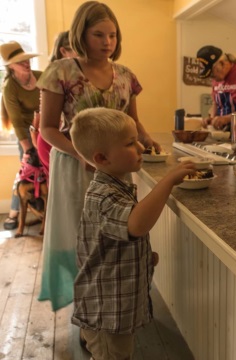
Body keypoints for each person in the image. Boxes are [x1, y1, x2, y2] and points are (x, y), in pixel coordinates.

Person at [37, 1, 161, 311]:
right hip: (74, 166)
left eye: (113, 36)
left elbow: (132, 120)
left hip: (116, 168)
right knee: (81, 237)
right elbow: (48, 129)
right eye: (99, 35)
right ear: (81, 33)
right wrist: (81, 154)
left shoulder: (125, 75)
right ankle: (86, 313)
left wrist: (146, 140)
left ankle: (113, 306)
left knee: (115, 234)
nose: (107, 43)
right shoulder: (59, 72)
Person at [69, 107, 195, 359]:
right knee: (113, 353)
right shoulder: (102, 194)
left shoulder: (118, 183)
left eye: (137, 139)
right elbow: (136, 224)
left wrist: (142, 256)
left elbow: (116, 239)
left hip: (112, 298)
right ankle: (93, 337)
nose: (140, 147)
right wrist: (167, 181)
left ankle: (89, 334)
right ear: (102, 158)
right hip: (107, 309)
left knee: (106, 344)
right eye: (130, 143)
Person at [0, 41, 41, 230]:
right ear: (10, 67)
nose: (26, 63)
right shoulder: (10, 87)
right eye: (20, 62)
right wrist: (28, 150)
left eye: (26, 60)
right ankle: (14, 213)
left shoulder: (41, 77)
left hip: (44, 130)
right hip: (24, 133)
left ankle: (47, 212)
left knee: (47, 173)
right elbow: (16, 121)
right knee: (26, 173)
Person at [33, 31, 77, 173]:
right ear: (64, 51)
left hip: (66, 141)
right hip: (54, 140)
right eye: (78, 48)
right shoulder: (55, 76)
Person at [196, 45, 236, 129]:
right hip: (223, 132)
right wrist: (211, 118)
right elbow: (215, 103)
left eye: (212, 73)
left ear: (222, 63)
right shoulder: (217, 78)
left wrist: (228, 118)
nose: (211, 78)